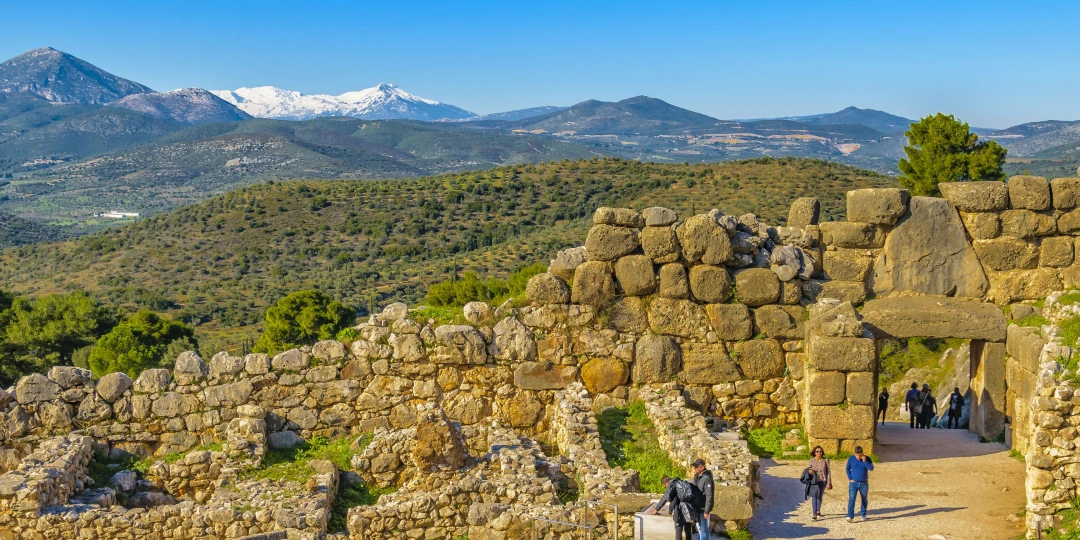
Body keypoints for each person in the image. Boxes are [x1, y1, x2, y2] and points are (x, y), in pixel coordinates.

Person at [650, 475, 701, 540]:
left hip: (679, 510)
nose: (666, 487)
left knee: (678, 529)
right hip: (689, 509)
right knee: (688, 530)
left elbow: (665, 498)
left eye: (665, 486)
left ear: (666, 483)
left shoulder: (672, 485)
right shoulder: (683, 483)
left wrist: (656, 509)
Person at [801, 445, 832, 521]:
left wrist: (829, 482)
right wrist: (810, 471)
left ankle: (818, 510)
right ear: (814, 452)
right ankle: (814, 514)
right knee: (814, 496)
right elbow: (809, 468)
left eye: (820, 451)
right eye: (817, 451)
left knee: (820, 496)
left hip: (822, 480)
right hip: (814, 481)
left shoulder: (826, 461)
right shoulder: (812, 460)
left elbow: (828, 472)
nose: (819, 453)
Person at [845, 446, 874, 522]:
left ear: (862, 453)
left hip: (864, 483)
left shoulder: (867, 458)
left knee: (864, 499)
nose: (858, 457)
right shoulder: (851, 459)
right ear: (855, 454)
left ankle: (863, 515)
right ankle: (850, 516)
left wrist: (865, 461)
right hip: (853, 483)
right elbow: (847, 468)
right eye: (857, 455)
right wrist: (850, 478)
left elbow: (871, 468)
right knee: (852, 499)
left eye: (860, 455)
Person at [691, 459, 714, 540]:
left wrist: (707, 511)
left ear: (702, 467)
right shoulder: (697, 476)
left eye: (696, 467)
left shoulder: (707, 478)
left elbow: (709, 495)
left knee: (704, 529)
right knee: (700, 529)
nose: (694, 468)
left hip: (703, 507)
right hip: (698, 506)